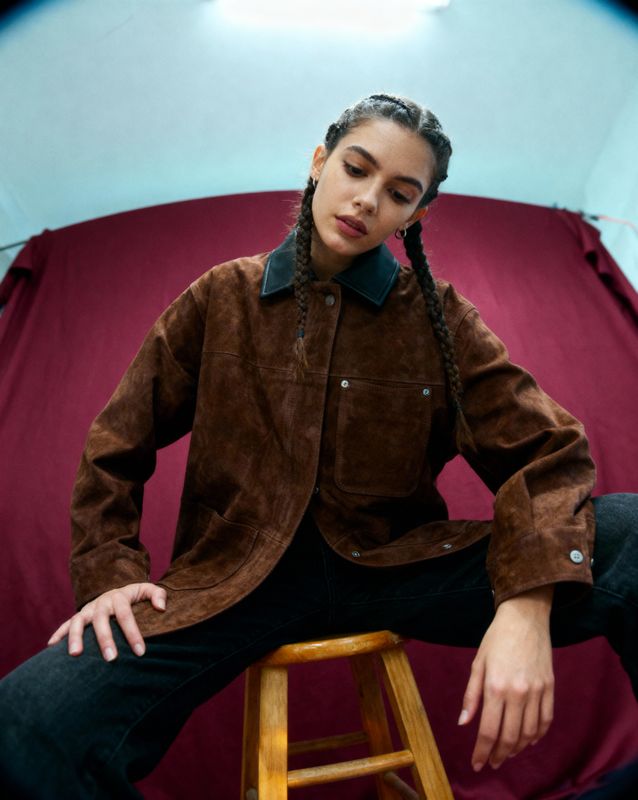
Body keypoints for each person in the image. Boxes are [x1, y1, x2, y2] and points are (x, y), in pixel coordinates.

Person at [1, 93, 636, 799]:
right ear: (318, 162)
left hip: (394, 569)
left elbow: (548, 453)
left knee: (634, 530)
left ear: (416, 216)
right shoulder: (222, 298)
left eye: (398, 193)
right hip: (232, 583)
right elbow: (115, 447)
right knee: (26, 722)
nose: (366, 201)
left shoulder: (439, 318)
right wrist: (109, 575)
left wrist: (526, 602)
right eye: (356, 169)